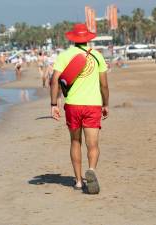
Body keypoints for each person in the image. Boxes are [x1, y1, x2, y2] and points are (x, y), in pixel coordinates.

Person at [50, 23, 109, 194]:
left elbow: (55, 81)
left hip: (73, 105)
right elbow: (104, 85)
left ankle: (77, 181)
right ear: (88, 38)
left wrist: (54, 104)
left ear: (73, 38)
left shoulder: (65, 55)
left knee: (75, 142)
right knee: (93, 144)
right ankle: (91, 170)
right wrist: (105, 104)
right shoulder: (97, 56)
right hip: (93, 105)